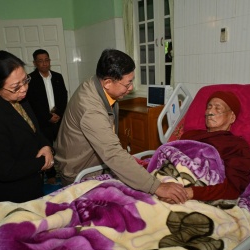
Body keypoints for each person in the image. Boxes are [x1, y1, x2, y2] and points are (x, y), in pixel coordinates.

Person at [55, 48, 188, 204]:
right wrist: (157, 186)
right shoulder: (91, 109)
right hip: (78, 170)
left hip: (93, 163)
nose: (131, 87)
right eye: (128, 83)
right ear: (107, 83)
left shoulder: (99, 87)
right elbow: (112, 153)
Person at [0, 50, 55, 203]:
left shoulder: (19, 98)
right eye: (16, 86)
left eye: (25, 80)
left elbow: (35, 130)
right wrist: (45, 161)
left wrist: (45, 145)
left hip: (31, 182)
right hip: (10, 195)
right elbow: (6, 170)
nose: (24, 89)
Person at [172, 91, 250, 202]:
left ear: (232, 117)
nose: (210, 112)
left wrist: (190, 192)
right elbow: (170, 155)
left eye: (218, 108)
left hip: (196, 194)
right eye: (209, 107)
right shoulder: (190, 135)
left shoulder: (237, 145)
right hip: (169, 184)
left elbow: (233, 188)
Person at [26, 49, 68, 184]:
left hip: (59, 118)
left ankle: (66, 171)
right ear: (35, 63)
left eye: (46, 60)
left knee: (63, 146)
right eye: (40, 61)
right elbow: (31, 103)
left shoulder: (57, 77)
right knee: (46, 147)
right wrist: (47, 117)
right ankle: (50, 173)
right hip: (42, 121)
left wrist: (59, 114)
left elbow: (63, 96)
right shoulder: (30, 79)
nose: (44, 63)